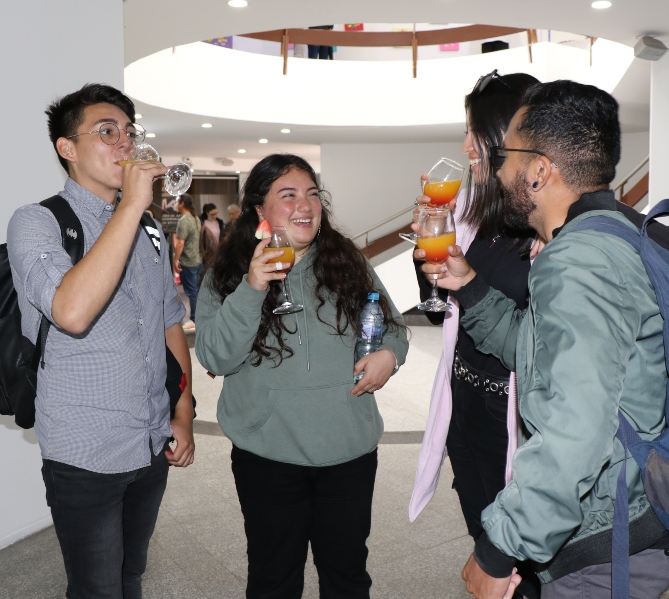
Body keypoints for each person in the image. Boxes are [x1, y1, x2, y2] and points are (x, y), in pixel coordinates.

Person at [417, 80, 669, 598]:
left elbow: (574, 432)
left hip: (608, 539)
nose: (493, 166)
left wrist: (496, 549)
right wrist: (468, 285)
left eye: (505, 154)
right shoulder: (605, 235)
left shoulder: (577, 263)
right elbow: (540, 359)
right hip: (628, 518)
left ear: (538, 170)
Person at [7, 83, 195, 598]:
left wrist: (183, 413)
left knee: (131, 575)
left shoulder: (149, 230)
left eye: (129, 133)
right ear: (67, 149)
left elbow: (168, 323)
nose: (125, 144)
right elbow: (71, 310)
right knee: (95, 588)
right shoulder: (36, 222)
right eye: (106, 132)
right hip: (83, 448)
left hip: (151, 437)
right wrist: (131, 208)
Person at [194, 153, 409, 599]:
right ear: (259, 209)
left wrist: (390, 354)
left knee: (347, 575)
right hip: (268, 454)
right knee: (274, 579)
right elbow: (215, 356)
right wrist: (253, 288)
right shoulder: (227, 271)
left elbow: (392, 326)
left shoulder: (347, 260)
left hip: (347, 450)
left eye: (312, 194)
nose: (305, 206)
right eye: (287, 195)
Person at [409, 70, 540, 599]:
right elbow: (443, 306)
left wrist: (467, 282)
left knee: (522, 552)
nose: (466, 146)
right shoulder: (475, 212)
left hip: (514, 411)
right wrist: (430, 250)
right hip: (464, 398)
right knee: (482, 526)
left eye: (475, 133)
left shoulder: (547, 230)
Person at [174, 194, 203, 328]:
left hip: (188, 261)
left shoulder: (184, 221)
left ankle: (195, 319)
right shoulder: (195, 218)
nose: (175, 205)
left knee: (192, 292)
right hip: (197, 259)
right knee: (197, 291)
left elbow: (180, 243)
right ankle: (198, 317)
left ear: (182, 204)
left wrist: (175, 259)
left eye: (177, 202)